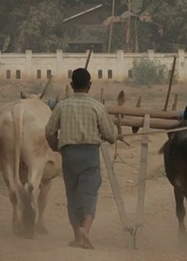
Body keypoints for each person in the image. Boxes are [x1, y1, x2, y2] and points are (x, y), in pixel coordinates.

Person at [45, 67, 117, 250]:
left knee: (72, 193)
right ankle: (86, 230)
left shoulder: (62, 106)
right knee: (90, 192)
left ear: (71, 85)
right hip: (89, 154)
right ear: (90, 85)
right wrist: (109, 135)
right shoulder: (97, 107)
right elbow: (110, 135)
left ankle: (77, 236)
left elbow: (49, 131)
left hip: (69, 155)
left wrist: (56, 146)